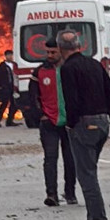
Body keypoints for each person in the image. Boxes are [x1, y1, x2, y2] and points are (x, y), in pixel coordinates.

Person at [58, 29, 110, 220]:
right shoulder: (94, 64)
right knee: (90, 170)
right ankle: (93, 219)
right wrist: (103, 111)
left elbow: (71, 100)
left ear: (60, 49)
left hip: (84, 123)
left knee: (86, 174)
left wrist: (71, 124)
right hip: (102, 122)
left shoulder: (67, 68)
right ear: (79, 45)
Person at [30, 38, 77, 206]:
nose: (50, 55)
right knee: (50, 158)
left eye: (53, 52)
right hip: (48, 122)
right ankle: (51, 194)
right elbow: (33, 95)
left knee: (70, 158)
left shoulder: (69, 69)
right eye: (47, 52)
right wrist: (40, 115)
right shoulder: (39, 72)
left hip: (69, 121)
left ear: (60, 51)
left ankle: (70, 193)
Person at [0, 50, 21, 127]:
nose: (10, 57)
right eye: (9, 55)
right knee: (4, 105)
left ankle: (9, 121)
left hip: (14, 87)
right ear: (5, 56)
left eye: (11, 55)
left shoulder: (15, 65)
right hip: (5, 88)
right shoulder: (1, 66)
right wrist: (0, 87)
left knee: (14, 104)